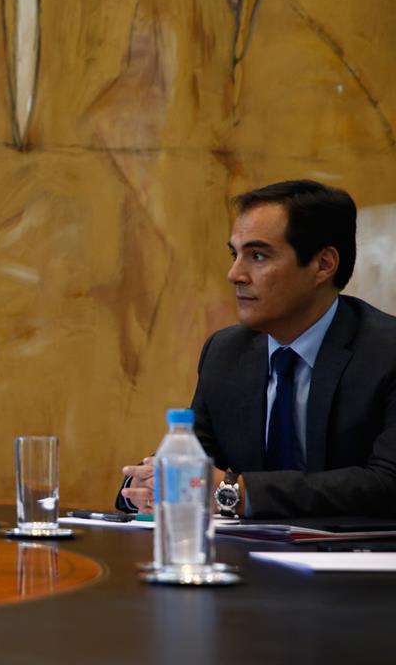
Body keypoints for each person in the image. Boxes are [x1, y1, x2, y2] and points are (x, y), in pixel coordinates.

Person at [119, 180, 396, 518]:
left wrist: (237, 492)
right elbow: (198, 464)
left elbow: (386, 484)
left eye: (258, 256)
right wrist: (148, 486)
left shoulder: (385, 351)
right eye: (235, 255)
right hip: (248, 560)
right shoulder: (226, 353)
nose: (235, 274)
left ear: (323, 265)